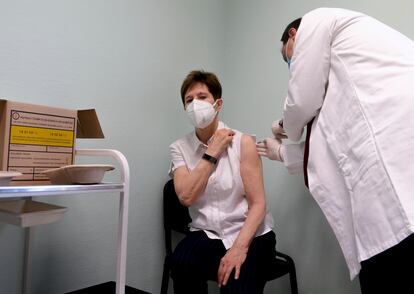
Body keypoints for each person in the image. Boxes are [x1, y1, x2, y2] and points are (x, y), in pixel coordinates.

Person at [257, 7, 414, 293]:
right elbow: (328, 148)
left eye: (288, 56)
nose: (291, 63)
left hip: (397, 158)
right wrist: (280, 152)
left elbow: (301, 103)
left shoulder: (317, 21)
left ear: (294, 34)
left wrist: (284, 126)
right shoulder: (340, 77)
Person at [169, 70, 276, 294]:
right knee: (181, 264)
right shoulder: (179, 148)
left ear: (217, 104)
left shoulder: (243, 142)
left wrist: (238, 248)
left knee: (236, 284)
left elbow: (259, 204)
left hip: (251, 233)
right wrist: (212, 153)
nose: (195, 104)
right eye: (189, 100)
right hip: (207, 232)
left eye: (202, 97)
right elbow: (186, 197)